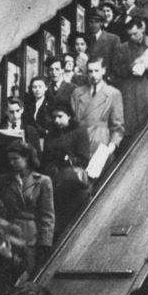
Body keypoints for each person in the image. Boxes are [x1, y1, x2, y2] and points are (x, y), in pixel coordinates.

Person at [0, 139, 55, 275]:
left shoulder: (43, 181)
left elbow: (47, 214)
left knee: (27, 273)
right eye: (10, 159)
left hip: (31, 234)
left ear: (26, 157)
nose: (11, 163)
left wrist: (45, 242)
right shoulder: (2, 181)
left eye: (15, 159)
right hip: (9, 231)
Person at [112, 18, 148, 141]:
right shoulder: (122, 48)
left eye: (135, 34)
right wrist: (130, 66)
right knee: (130, 128)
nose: (132, 37)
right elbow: (116, 70)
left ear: (142, 29)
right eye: (129, 35)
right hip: (129, 92)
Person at [42, 99, 92, 233]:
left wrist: (65, 158)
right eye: (54, 117)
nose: (56, 120)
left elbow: (83, 160)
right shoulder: (50, 135)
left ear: (69, 116)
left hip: (71, 185)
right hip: (53, 182)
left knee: (68, 223)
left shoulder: (79, 132)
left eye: (60, 116)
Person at [71, 56, 124, 159]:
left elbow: (118, 126)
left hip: (101, 144)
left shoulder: (113, 93)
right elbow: (73, 121)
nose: (93, 75)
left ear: (103, 71)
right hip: (80, 145)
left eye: (96, 71)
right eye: (90, 71)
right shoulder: (77, 93)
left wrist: (111, 147)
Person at [0, 97, 41, 174]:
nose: (15, 115)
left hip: (24, 173)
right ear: (5, 111)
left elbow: (38, 156)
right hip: (2, 173)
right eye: (11, 112)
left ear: (22, 109)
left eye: (17, 111)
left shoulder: (31, 130)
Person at [86, 7, 120, 80]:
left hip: (106, 81)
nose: (93, 25)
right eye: (91, 22)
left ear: (102, 23)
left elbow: (117, 65)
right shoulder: (85, 40)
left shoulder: (113, 39)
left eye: (96, 22)